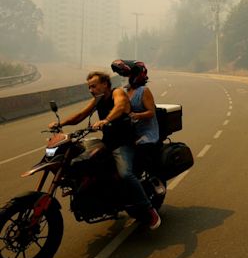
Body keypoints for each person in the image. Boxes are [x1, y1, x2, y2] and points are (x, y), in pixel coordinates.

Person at [48, 71, 161, 230]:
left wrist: (106, 120)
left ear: (105, 84)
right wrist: (61, 124)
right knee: (79, 161)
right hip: (107, 143)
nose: (91, 90)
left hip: (124, 143)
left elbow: (120, 106)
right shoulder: (98, 99)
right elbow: (81, 115)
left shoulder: (117, 92)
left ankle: (149, 209)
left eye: (94, 86)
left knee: (125, 174)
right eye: (89, 87)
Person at [111, 60, 165, 194]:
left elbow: (151, 112)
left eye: (129, 75)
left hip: (147, 132)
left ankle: (153, 178)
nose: (126, 78)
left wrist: (136, 115)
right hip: (131, 131)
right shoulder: (124, 91)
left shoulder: (144, 91)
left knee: (139, 150)